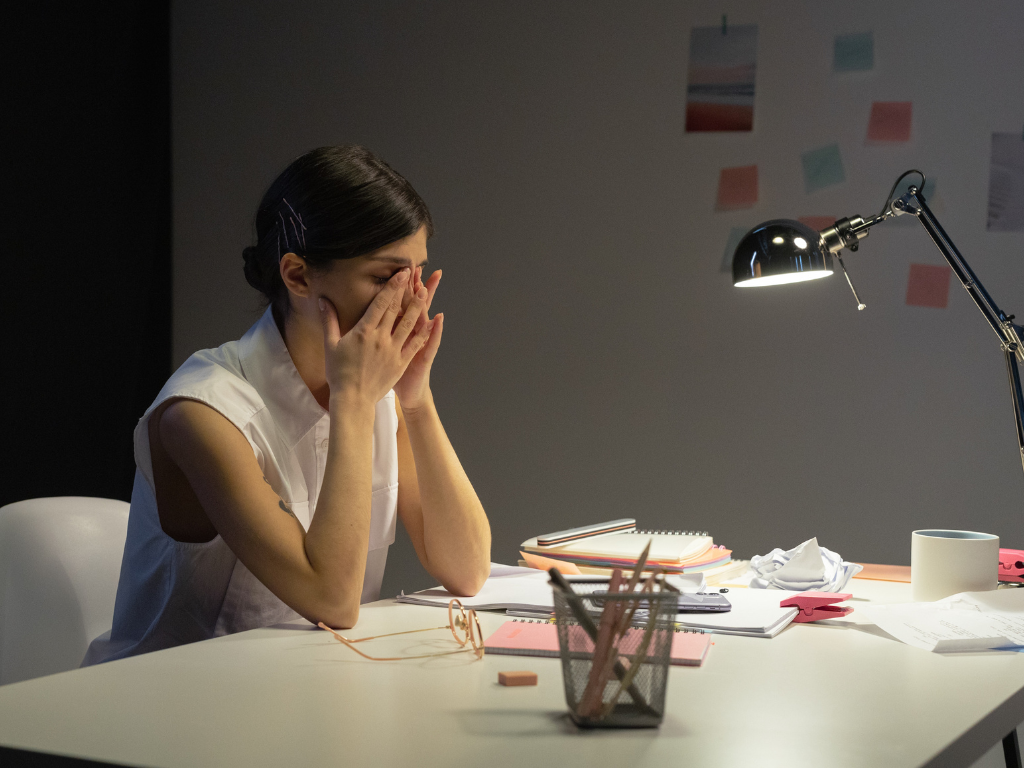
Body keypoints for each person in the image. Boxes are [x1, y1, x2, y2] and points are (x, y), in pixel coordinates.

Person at [83, 146, 491, 664]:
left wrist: (416, 398)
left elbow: (468, 568)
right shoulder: (202, 410)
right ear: (297, 276)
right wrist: (354, 400)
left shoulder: (377, 394)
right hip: (168, 714)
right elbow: (332, 601)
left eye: (418, 274)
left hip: (302, 696)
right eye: (385, 277)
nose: (410, 299)